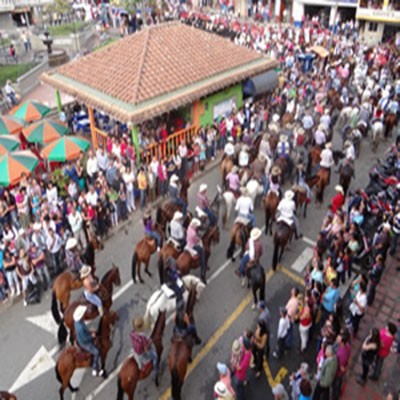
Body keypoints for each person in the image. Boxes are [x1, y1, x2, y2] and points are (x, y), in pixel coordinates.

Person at [73, 305, 105, 377]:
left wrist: (90, 331)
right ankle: (94, 367)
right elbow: (85, 338)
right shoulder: (80, 327)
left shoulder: (78, 322)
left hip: (82, 336)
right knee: (96, 352)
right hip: (84, 343)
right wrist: (92, 336)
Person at [332, 328, 351, 400]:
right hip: (340, 372)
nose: (337, 338)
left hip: (338, 373)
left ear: (342, 342)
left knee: (336, 386)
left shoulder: (341, 353)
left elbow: (342, 367)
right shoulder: (348, 346)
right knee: (338, 384)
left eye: (339, 339)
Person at [186, 218, 207, 284]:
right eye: (197, 226)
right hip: (193, 245)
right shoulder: (194, 233)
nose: (197, 227)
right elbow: (196, 240)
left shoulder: (189, 227)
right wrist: (199, 239)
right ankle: (202, 272)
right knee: (202, 251)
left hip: (188, 243)